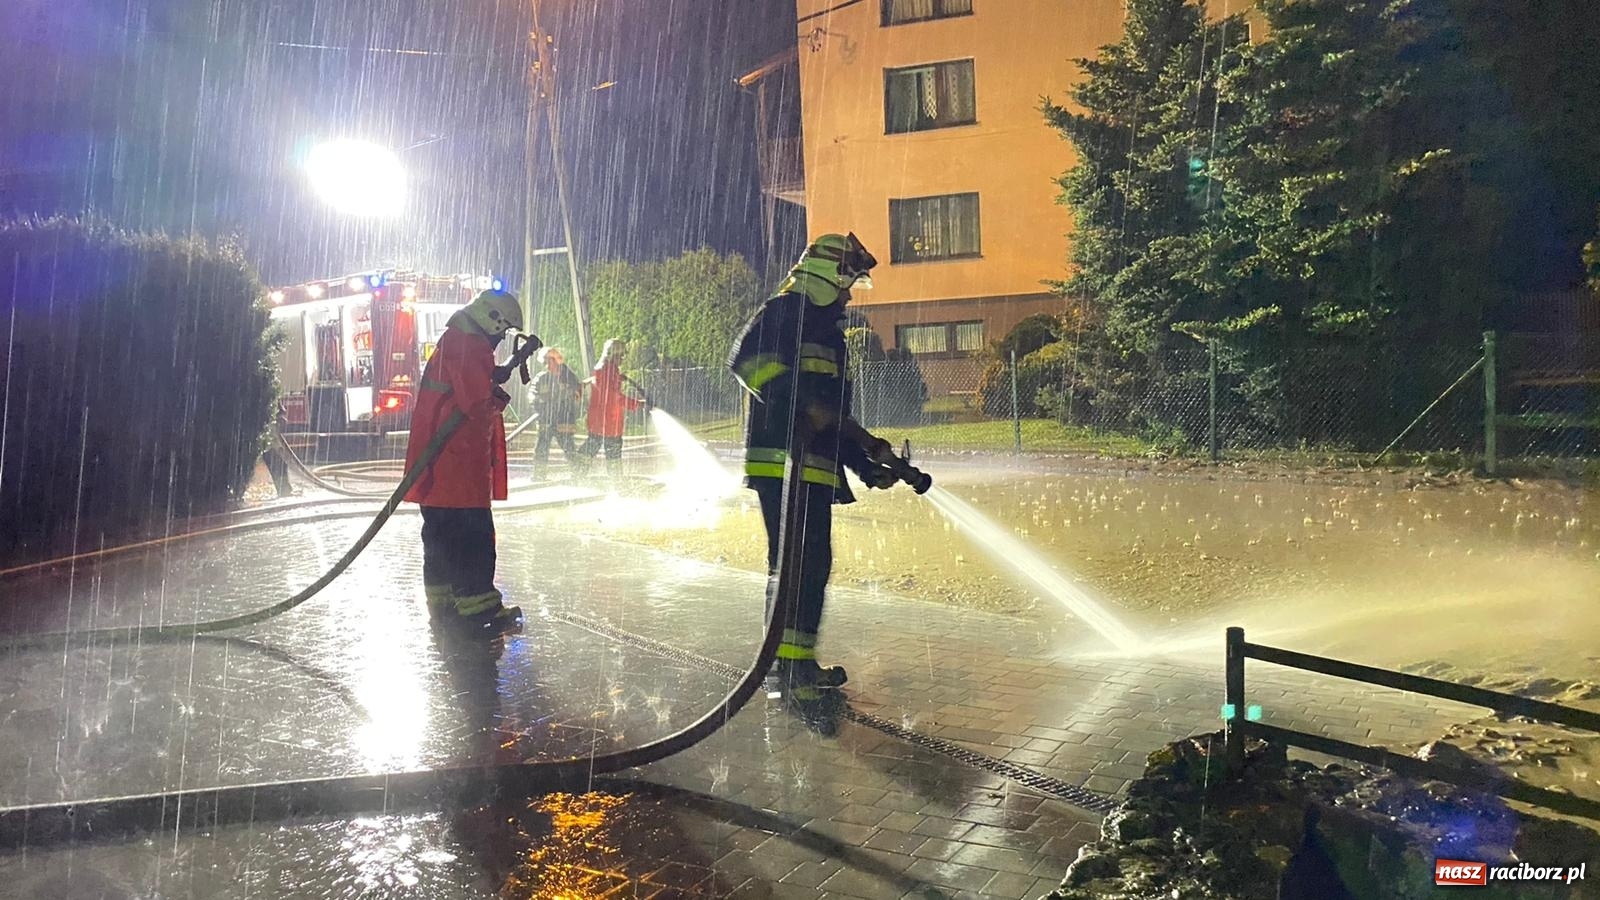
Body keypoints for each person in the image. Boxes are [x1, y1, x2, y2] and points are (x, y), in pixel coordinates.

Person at [727, 233, 903, 697]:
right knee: (795, 564)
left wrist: (866, 466)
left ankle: (795, 664)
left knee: (811, 564)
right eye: (848, 285)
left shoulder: (828, 333)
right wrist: (800, 404)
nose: (849, 297)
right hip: (782, 464)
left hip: (813, 465)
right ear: (829, 277)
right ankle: (787, 670)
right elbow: (746, 362)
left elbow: (835, 418)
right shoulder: (784, 312)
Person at [403, 288, 524, 631]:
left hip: (438, 467)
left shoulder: (455, 341)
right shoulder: (471, 345)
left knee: (441, 539)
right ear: (493, 320)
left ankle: (444, 608)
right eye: (503, 331)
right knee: (473, 539)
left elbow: (463, 387)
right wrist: (497, 398)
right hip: (458, 466)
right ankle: (479, 611)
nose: (501, 338)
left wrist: (491, 376)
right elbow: (476, 405)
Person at [579, 338, 644, 472]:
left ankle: (577, 473)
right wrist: (636, 404)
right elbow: (614, 397)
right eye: (621, 356)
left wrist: (619, 377)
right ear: (614, 355)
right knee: (612, 455)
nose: (623, 359)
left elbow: (604, 386)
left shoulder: (604, 369)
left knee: (591, 447)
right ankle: (615, 481)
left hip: (599, 421)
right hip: (609, 422)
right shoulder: (609, 370)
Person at [527, 346, 585, 480]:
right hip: (546, 420)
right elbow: (532, 395)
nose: (547, 365)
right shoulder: (541, 378)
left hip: (564, 419)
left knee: (569, 447)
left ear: (556, 361)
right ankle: (539, 475)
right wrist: (540, 405)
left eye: (549, 361)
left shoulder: (569, 377)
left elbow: (578, 393)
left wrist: (572, 393)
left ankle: (578, 474)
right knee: (541, 448)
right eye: (545, 362)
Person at [261, 399, 294, 499]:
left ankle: (284, 490)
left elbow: (281, 414)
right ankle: (284, 490)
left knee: (279, 463)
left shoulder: (269, 398)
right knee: (276, 462)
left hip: (271, 439)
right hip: (267, 440)